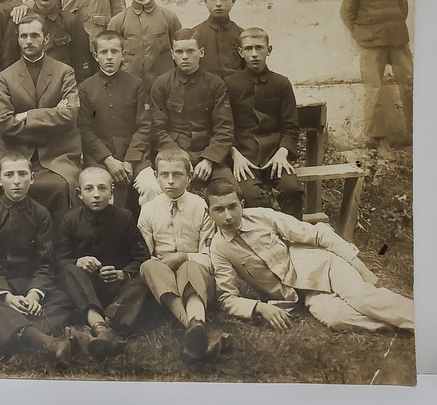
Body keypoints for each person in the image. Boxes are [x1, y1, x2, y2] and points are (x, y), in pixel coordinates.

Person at [206, 179, 414, 332]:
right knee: (336, 318)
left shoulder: (264, 216)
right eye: (219, 209)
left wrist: (362, 269)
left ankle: (422, 323)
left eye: (232, 207)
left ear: (242, 204)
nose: (228, 216)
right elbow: (226, 297)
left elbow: (318, 234)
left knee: (361, 298)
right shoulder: (219, 248)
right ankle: (398, 325)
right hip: (303, 294)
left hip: (323, 266)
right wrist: (259, 307)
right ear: (209, 212)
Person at [0, 153, 73, 362]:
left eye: (22, 174)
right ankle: (44, 341)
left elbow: (45, 262)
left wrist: (34, 295)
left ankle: (5, 333)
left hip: (29, 284)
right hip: (0, 287)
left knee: (65, 298)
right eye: (9, 175)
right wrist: (6, 296)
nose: (16, 181)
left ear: (32, 178)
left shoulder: (41, 214)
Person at [0, 13, 83, 233]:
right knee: (0, 187)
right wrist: (50, 118)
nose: (28, 41)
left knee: (61, 187)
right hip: (14, 151)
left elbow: (70, 114)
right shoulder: (6, 76)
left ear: (46, 39)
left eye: (34, 35)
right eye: (23, 36)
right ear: (18, 40)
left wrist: (26, 116)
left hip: (56, 153)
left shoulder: (64, 72)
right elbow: (4, 122)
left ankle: (60, 249)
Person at [56, 167, 152, 361]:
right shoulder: (70, 220)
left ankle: (99, 327)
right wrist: (78, 261)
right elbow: (58, 259)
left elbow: (142, 256)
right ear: (79, 193)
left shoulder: (124, 217)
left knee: (143, 280)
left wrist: (122, 273)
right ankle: (104, 327)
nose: (96, 195)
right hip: (84, 290)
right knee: (68, 270)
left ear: (112, 192)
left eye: (102, 188)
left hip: (117, 290)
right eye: (89, 189)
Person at [138, 149, 217, 362]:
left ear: (190, 177)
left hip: (196, 277)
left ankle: (195, 326)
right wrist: (162, 263)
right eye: (164, 175)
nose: (170, 181)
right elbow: (145, 254)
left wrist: (183, 256)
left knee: (189, 267)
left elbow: (210, 258)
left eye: (177, 174)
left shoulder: (201, 207)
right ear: (156, 176)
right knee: (147, 266)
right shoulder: (148, 210)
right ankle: (196, 326)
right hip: (162, 279)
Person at [340, 0, 413, 159]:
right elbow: (347, 12)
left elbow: (403, 5)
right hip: (372, 42)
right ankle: (379, 142)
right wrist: (360, 33)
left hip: (397, 39)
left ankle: (418, 133)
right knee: (374, 90)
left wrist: (395, 24)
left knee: (411, 83)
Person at [77, 30, 160, 215]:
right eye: (104, 52)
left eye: (114, 51)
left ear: (122, 55)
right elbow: (84, 129)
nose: (109, 57)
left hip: (135, 157)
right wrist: (108, 160)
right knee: (100, 192)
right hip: (100, 158)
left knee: (151, 188)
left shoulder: (136, 84)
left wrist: (130, 161)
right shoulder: (85, 88)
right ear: (95, 56)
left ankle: (147, 240)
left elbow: (144, 126)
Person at [225, 27, 304, 220]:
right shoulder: (229, 84)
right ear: (240, 52)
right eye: (249, 48)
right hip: (244, 157)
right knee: (253, 197)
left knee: (292, 190)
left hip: (275, 155)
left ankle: (294, 238)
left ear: (269, 50)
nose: (254, 54)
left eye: (259, 48)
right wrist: (235, 154)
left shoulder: (281, 83)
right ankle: (264, 241)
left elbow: (290, 125)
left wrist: (283, 152)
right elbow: (224, 126)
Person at [150, 28, 237, 190]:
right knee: (165, 194)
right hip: (173, 157)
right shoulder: (162, 84)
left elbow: (224, 129)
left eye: (190, 51)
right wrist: (180, 158)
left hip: (208, 155)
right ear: (172, 54)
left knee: (231, 191)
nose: (184, 57)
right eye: (179, 51)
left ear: (201, 52)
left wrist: (209, 160)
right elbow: (157, 129)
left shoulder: (216, 84)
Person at [0, 0, 92, 81]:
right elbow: (8, 61)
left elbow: (81, 64)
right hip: (26, 86)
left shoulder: (71, 22)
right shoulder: (19, 21)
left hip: (61, 85)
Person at [107, 0, 181, 93]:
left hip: (164, 89)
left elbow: (179, 55)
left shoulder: (169, 18)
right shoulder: (117, 22)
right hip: (128, 89)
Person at [193, 0, 244, 79]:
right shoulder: (195, 35)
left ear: (233, 1)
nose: (218, 3)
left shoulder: (241, 35)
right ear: (205, 1)